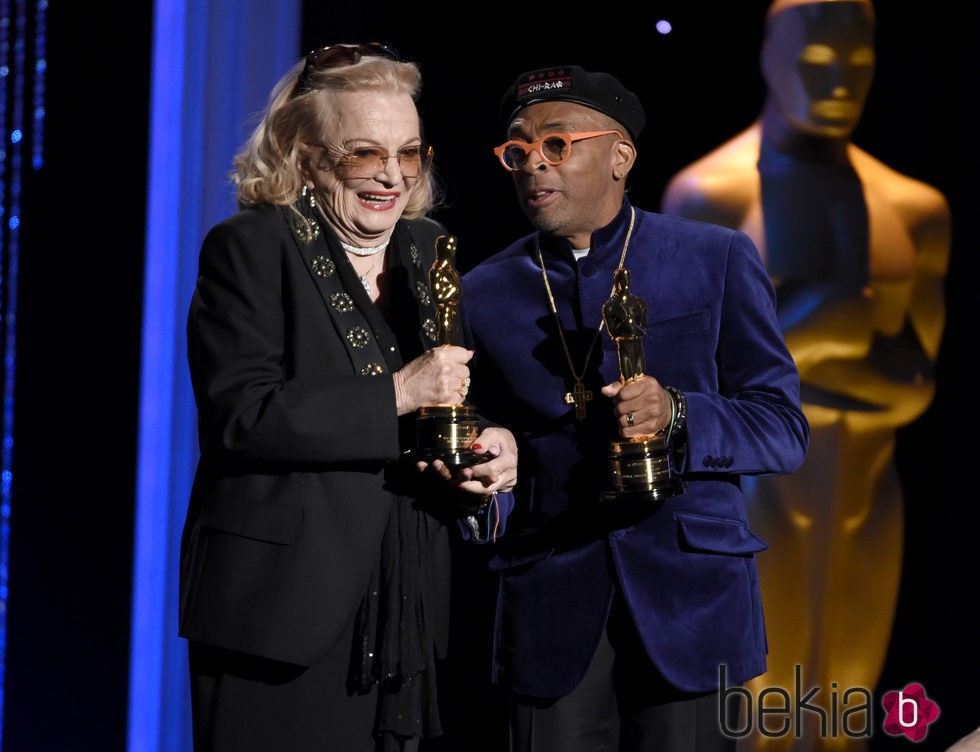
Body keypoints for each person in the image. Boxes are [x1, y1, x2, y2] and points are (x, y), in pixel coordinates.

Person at [460, 64, 809, 752]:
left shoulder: (715, 257)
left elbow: (782, 428)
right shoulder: (482, 290)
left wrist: (679, 413)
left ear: (621, 157)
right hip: (550, 601)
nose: (533, 165)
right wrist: (486, 449)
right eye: (517, 150)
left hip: (693, 602)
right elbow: (477, 428)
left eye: (557, 145)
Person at [178, 43, 517, 752]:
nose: (391, 176)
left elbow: (438, 390)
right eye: (364, 154)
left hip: (407, 610)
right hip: (277, 612)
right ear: (303, 157)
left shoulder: (427, 247)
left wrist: (485, 447)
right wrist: (397, 392)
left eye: (408, 153)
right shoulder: (249, 247)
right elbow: (242, 416)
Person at [661, 2, 950, 747]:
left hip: (869, 494)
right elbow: (696, 387)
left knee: (847, 705)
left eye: (858, 63)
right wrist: (827, 330)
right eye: (816, 58)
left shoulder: (914, 209)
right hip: (761, 502)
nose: (838, 82)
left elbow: (916, 387)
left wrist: (794, 349)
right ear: (770, 53)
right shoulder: (714, 197)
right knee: (764, 713)